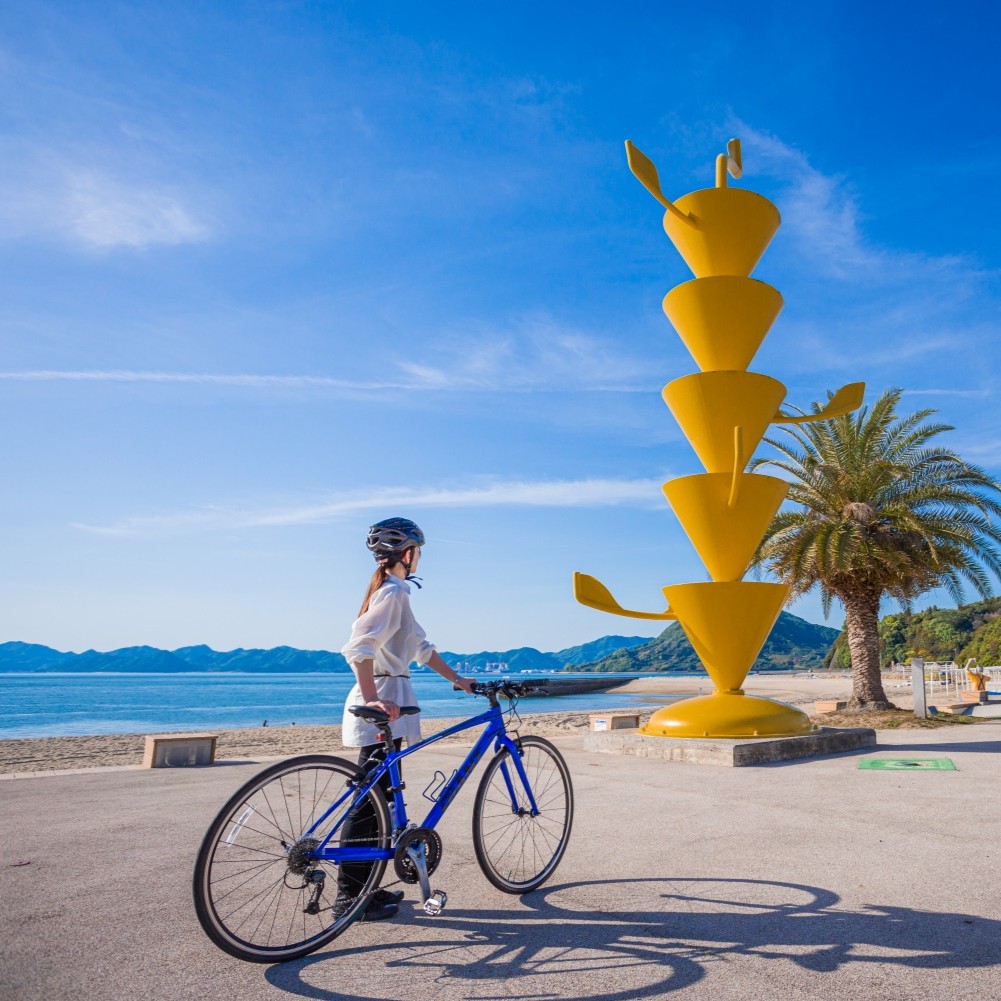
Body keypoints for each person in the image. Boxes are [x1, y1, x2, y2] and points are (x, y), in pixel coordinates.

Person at [336, 517, 474, 921]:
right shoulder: (393, 592)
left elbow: (421, 648)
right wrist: (372, 698)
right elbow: (358, 647)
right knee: (368, 805)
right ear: (409, 553)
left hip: (388, 698)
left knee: (376, 800)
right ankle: (350, 898)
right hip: (382, 700)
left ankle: (363, 892)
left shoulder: (394, 593)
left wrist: (460, 681)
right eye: (419, 551)